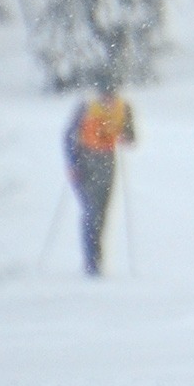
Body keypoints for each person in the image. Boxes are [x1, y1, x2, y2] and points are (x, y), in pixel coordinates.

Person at [62, 77, 136, 278]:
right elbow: (69, 136)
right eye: (105, 94)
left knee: (101, 212)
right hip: (86, 162)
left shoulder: (123, 108)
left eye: (112, 95)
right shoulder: (86, 107)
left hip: (108, 162)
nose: (108, 99)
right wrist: (72, 164)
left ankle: (95, 261)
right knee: (91, 212)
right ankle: (91, 262)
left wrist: (124, 135)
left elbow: (131, 137)